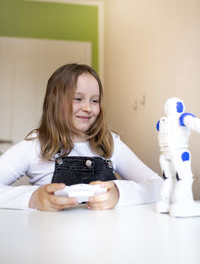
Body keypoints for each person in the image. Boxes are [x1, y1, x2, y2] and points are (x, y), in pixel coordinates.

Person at [0, 63, 162, 211]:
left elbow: (158, 185)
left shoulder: (110, 143)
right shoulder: (35, 145)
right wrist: (33, 198)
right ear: (55, 103)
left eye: (94, 100)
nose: (88, 108)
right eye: (78, 99)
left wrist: (119, 194)